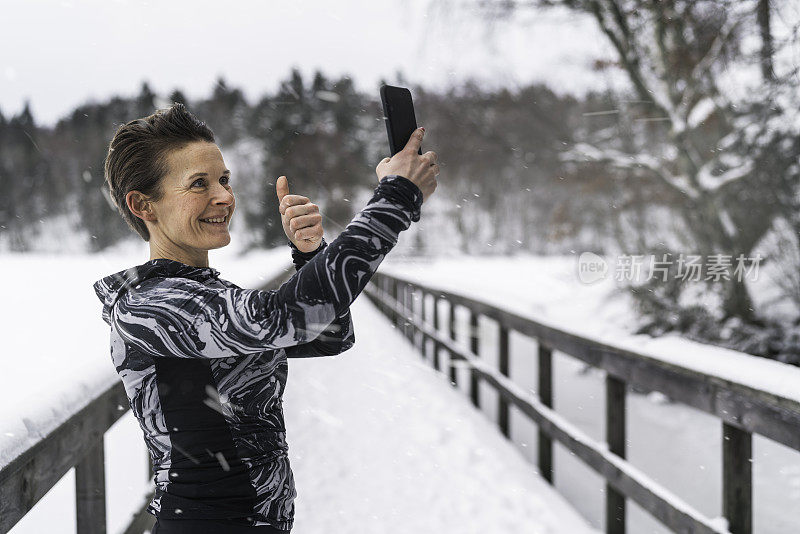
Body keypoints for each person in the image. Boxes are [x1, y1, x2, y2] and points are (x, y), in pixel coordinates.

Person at [92, 103, 438, 533]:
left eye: (224, 179)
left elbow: (329, 334)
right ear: (144, 205)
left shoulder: (207, 293)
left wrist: (311, 254)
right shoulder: (151, 306)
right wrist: (396, 196)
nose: (223, 196)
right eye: (198, 184)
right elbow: (291, 316)